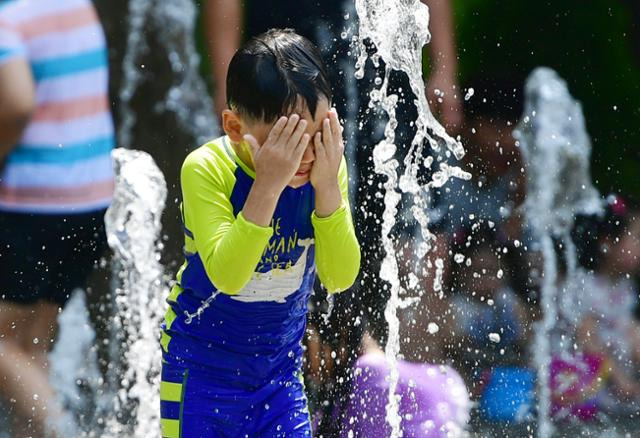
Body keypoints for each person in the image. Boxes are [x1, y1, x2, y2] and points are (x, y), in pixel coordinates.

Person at [159, 29, 360, 437]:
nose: (302, 157)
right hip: (200, 374)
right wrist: (267, 184)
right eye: (283, 142)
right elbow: (228, 277)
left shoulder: (323, 169)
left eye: (315, 135)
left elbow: (340, 277)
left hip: (279, 378)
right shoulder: (207, 170)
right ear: (235, 127)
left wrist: (327, 190)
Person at [0, 0, 115, 436]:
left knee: (4, 344)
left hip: (35, 204)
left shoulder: (7, 18)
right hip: (93, 201)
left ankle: (68, 431)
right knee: (32, 348)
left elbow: (15, 104)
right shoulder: (73, 4)